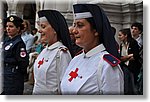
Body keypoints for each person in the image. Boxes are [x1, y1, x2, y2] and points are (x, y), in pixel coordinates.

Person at [60, 4, 124, 95]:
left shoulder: (107, 66)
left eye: (80, 25)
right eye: (74, 25)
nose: (74, 31)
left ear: (96, 30)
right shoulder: (75, 59)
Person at [32, 10, 74, 95]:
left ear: (55, 29)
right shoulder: (44, 50)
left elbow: (65, 86)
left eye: (43, 27)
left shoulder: (62, 53)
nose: (39, 31)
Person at [2, 15, 29, 95]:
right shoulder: (6, 41)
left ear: (18, 29)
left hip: (13, 77)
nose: (8, 28)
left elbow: (23, 63)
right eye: (7, 26)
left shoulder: (19, 43)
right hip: (4, 74)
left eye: (11, 26)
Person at [118, 28, 141, 94]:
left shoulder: (133, 42)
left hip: (132, 67)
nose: (118, 37)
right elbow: (121, 57)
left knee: (133, 86)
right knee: (126, 85)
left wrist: (126, 57)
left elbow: (136, 56)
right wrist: (129, 56)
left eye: (120, 35)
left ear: (125, 35)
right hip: (124, 66)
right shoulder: (121, 44)